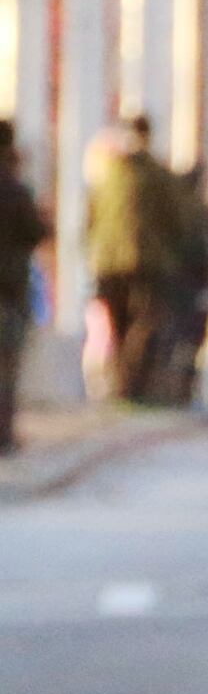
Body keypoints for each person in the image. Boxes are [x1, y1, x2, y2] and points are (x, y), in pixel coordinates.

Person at [85, 118, 174, 405]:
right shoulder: (115, 173)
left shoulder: (118, 173)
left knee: (136, 324)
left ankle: (129, 383)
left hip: (132, 262)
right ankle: (126, 383)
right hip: (126, 262)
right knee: (126, 324)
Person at [0, 122, 48, 454]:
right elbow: (37, 231)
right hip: (8, 288)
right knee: (6, 364)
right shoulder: (15, 188)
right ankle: (3, 433)